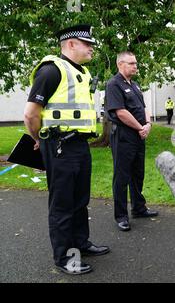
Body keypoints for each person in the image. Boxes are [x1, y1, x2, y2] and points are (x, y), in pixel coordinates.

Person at [23, 24, 110, 275]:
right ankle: (64, 257)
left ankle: (80, 244)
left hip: (80, 145)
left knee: (80, 200)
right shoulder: (51, 71)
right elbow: (30, 114)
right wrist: (38, 138)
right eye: (87, 43)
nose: (92, 47)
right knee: (62, 204)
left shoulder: (82, 73)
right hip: (59, 145)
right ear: (71, 44)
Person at [105, 51, 158, 232]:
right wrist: (140, 127)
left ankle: (138, 208)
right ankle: (121, 216)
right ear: (120, 64)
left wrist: (148, 124)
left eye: (136, 63)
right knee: (122, 176)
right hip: (123, 136)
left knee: (138, 173)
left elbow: (143, 107)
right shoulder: (113, 85)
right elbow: (120, 112)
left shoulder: (134, 85)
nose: (136, 66)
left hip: (138, 135)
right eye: (132, 63)